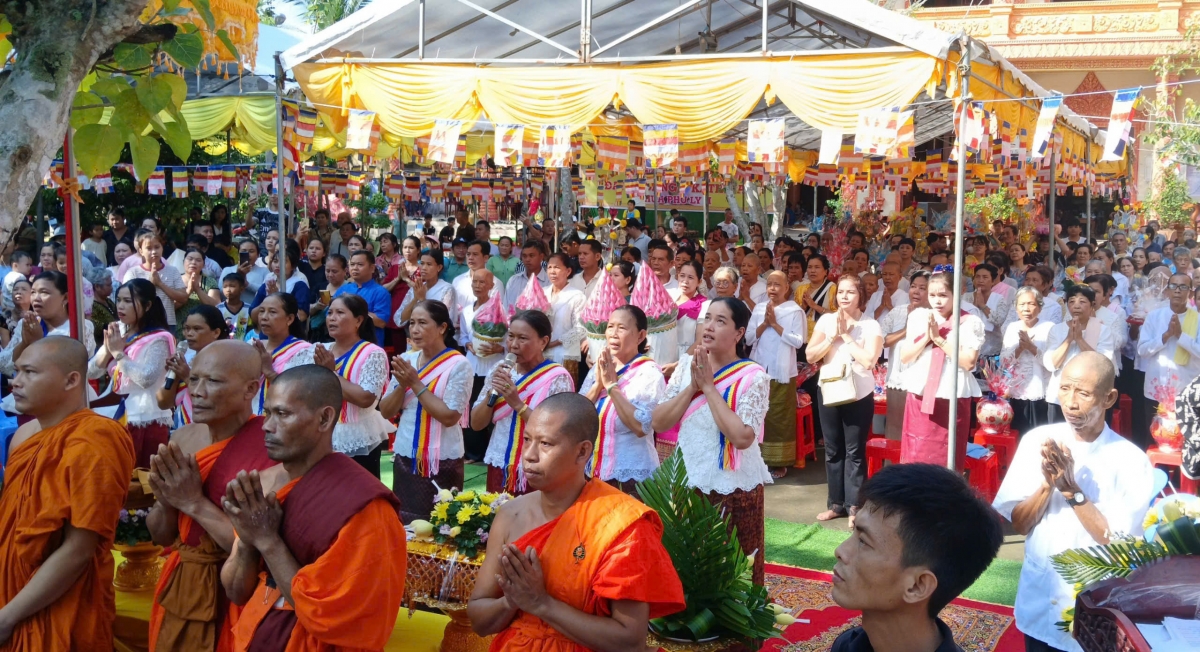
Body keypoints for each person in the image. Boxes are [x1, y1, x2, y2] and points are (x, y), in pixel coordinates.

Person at [468, 393, 686, 651]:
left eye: (546, 444)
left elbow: (630, 641)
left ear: (582, 451)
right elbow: (479, 619)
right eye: (527, 440)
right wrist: (511, 601)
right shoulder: (510, 515)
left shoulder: (620, 524)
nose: (529, 455)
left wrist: (541, 604)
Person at [220, 365, 407, 651]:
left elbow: (336, 619)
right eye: (268, 413)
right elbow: (235, 591)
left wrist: (268, 541)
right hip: (258, 634)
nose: (267, 426)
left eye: (282, 414)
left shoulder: (364, 506)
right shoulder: (265, 487)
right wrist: (249, 539)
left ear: (324, 418)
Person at [993, 353, 1154, 652]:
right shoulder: (1038, 441)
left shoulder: (1131, 460)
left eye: (1083, 392)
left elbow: (1119, 544)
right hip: (1040, 597)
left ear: (1109, 398)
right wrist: (1047, 485)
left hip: (1095, 611)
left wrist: (1072, 492)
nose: (1070, 402)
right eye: (1065, 388)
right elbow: (1020, 523)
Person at [0, 337, 135, 649]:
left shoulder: (96, 438)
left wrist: (9, 617)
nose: (16, 383)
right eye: (16, 372)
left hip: (64, 600)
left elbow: (79, 548)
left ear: (72, 380)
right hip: (11, 589)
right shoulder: (23, 435)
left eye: (30, 373)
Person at [145, 340, 277, 652]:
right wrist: (166, 499)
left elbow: (261, 547)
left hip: (235, 593)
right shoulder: (183, 437)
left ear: (250, 389)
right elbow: (161, 536)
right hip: (180, 586)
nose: (197, 391)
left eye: (213, 381)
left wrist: (192, 502)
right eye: (193, 379)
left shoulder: (271, 448)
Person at [651, 297, 771, 583]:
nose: (709, 326)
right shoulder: (686, 366)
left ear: (739, 333)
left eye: (721, 321)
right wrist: (692, 386)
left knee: (736, 567)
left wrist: (708, 388)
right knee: (689, 563)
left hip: (734, 486)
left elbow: (742, 437)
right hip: (687, 478)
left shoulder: (753, 376)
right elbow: (659, 421)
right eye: (707, 318)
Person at [830, 464, 1003, 652]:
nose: (840, 550)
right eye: (854, 530)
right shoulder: (848, 645)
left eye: (864, 541)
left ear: (917, 586)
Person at [380, 300, 472, 522]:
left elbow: (450, 416)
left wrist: (415, 383)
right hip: (407, 451)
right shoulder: (407, 359)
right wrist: (402, 385)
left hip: (443, 456)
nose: (415, 329)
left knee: (442, 522)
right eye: (412, 323)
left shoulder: (459, 364)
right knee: (406, 519)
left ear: (442, 328)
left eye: (423, 322)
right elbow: (385, 410)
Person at [806, 275, 883, 525]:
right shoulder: (827, 320)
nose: (844, 297)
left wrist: (847, 337)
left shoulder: (871, 325)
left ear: (861, 295)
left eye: (851, 292)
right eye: (840, 292)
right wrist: (832, 337)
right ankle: (835, 504)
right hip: (829, 389)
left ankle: (854, 506)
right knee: (832, 449)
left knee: (855, 451)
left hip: (858, 392)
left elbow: (870, 361)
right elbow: (810, 355)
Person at [474, 310, 575, 494]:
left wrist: (517, 404)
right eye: (511, 336)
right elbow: (476, 423)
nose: (513, 345)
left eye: (522, 338)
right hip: (500, 460)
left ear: (543, 342)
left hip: (538, 466)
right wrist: (491, 392)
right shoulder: (500, 369)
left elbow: (556, 431)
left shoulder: (557, 377)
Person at [88, 278, 178, 467]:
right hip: (125, 414)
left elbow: (146, 378)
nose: (121, 306)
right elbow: (92, 372)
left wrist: (119, 354)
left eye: (128, 301)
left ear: (147, 305)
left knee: (142, 479)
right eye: (119, 300)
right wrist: (108, 349)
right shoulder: (119, 332)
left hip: (147, 418)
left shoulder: (159, 338)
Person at [898, 271, 984, 467]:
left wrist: (939, 339)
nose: (937, 301)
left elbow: (969, 362)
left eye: (943, 295)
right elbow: (905, 356)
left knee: (948, 454)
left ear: (956, 294)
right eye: (933, 295)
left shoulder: (970, 321)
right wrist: (928, 338)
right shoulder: (919, 316)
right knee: (916, 453)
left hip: (951, 393)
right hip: (921, 390)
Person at [302, 295, 393, 477]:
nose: (332, 318)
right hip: (321, 434)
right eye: (330, 313)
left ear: (358, 320)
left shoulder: (373, 353)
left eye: (340, 313)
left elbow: (365, 398)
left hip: (357, 436)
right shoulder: (319, 349)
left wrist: (331, 373)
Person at [581, 305, 664, 494]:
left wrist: (611, 387)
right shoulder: (600, 367)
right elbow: (575, 415)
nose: (613, 334)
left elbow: (640, 426)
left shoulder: (648, 372)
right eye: (610, 326)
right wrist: (597, 386)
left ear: (641, 336)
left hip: (631, 478)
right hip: (593, 471)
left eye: (622, 328)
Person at [0, 271, 97, 399]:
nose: (36, 298)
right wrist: (25, 343)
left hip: (66, 399)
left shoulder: (81, 326)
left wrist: (38, 343)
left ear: (65, 297)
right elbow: (5, 366)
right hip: (29, 397)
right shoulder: (26, 324)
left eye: (44, 292)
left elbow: (65, 368)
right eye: (33, 292)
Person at [747, 271, 807, 476]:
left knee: (779, 415)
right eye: (770, 284)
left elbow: (798, 341)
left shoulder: (794, 311)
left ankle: (779, 462)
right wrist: (765, 323)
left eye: (777, 285)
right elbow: (747, 339)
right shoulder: (759, 309)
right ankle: (757, 459)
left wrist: (775, 324)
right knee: (758, 413)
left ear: (786, 287)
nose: (772, 288)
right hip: (759, 369)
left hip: (783, 371)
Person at [1135, 272, 1200, 447]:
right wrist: (1164, 337)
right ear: (1167, 291)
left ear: (1190, 292)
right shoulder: (1154, 317)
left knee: (1186, 443)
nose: (1177, 291)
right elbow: (1142, 350)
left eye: (1183, 287)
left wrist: (1181, 336)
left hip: (1186, 389)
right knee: (1155, 439)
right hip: (1156, 389)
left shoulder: (1198, 319)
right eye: (1173, 286)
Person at [1044, 285, 1115, 424]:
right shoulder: (1057, 330)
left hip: (1089, 397)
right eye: (1071, 301)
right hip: (1059, 396)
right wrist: (1068, 339)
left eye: (1082, 302)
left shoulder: (1103, 331)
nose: (1076, 306)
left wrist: (1080, 339)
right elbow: (1050, 364)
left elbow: (1103, 364)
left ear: (1092, 305)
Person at [157, 305, 230, 428]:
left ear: (216, 332)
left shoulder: (226, 360)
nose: (189, 334)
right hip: (184, 428)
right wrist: (174, 374)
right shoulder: (187, 358)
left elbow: (220, 401)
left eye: (196, 329)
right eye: (186, 328)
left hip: (210, 429)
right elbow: (164, 403)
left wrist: (187, 376)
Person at [460, 269, 503, 461]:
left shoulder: (500, 310)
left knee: (493, 406)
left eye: (482, 282)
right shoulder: (467, 310)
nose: (478, 286)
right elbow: (461, 335)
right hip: (472, 364)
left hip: (492, 365)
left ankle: (491, 450)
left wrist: (499, 348)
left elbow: (508, 340)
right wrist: (467, 343)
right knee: (470, 406)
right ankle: (473, 451)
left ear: (492, 286)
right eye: (475, 282)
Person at [881, 271, 929, 441]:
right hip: (897, 382)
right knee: (895, 433)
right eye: (913, 287)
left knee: (920, 435)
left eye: (922, 288)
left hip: (924, 386)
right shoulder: (898, 312)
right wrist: (907, 328)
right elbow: (882, 341)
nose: (916, 291)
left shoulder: (935, 316)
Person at [249, 293, 313, 415]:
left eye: (272, 312)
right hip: (252, 416)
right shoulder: (252, 345)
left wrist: (269, 371)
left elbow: (300, 394)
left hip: (283, 420)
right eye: (261, 311)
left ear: (289, 319)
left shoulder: (304, 351)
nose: (264, 317)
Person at [1003, 287, 1054, 436]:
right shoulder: (1012, 328)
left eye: (1031, 304)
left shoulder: (1049, 328)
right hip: (1017, 390)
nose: (1026, 308)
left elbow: (1052, 362)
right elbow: (1004, 361)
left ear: (1039, 306)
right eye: (1022, 304)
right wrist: (1019, 348)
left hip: (1042, 390)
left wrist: (1031, 347)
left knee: (1040, 434)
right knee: (1019, 432)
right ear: (1016, 307)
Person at [125, 230, 189, 331]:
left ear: (162, 248)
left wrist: (160, 283)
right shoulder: (133, 273)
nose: (154, 251)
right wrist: (150, 284)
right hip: (141, 323)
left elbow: (183, 298)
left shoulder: (172, 270)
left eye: (157, 247)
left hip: (167, 323)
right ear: (141, 251)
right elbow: (128, 300)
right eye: (149, 248)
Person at [336, 249, 392, 346]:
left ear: (372, 268)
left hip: (369, 345)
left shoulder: (381, 292)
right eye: (352, 264)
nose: (355, 268)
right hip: (343, 344)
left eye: (360, 265)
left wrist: (353, 310)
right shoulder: (343, 289)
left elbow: (381, 322)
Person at [545, 253, 586, 380]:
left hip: (565, 354)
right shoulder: (541, 292)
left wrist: (553, 343)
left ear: (568, 271)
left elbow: (580, 329)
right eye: (549, 267)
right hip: (541, 353)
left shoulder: (577, 296)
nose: (552, 271)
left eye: (556, 267)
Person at [395, 247, 459, 329]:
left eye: (429, 264)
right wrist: (415, 299)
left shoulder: (447, 289)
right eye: (422, 263)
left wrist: (422, 300)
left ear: (439, 267)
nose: (424, 268)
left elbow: (445, 321)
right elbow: (400, 319)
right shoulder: (417, 288)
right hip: (414, 337)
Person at [964, 263, 1012, 359]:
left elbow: (1000, 321)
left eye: (985, 277)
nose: (980, 280)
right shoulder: (965, 297)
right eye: (977, 277)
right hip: (968, 348)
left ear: (993, 281)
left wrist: (982, 306)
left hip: (992, 350)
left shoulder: (999, 299)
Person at [671, 260, 709, 361]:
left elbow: (700, 340)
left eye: (691, 277)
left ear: (699, 281)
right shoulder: (668, 298)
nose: (685, 281)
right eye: (682, 276)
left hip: (688, 356)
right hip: (665, 353)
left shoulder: (704, 304)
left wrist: (681, 363)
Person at [177, 248, 222, 328]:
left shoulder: (209, 281)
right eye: (190, 259)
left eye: (198, 260)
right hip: (178, 326)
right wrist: (189, 291)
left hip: (204, 326)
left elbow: (216, 306)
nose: (193, 262)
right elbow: (169, 306)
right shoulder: (175, 279)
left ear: (203, 264)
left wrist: (197, 289)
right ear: (183, 261)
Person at [220, 239, 269, 307]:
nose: (248, 254)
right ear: (238, 254)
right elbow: (221, 292)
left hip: (255, 311)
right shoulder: (227, 270)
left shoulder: (264, 271)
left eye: (251, 251)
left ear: (258, 255)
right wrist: (237, 275)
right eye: (244, 251)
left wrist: (247, 284)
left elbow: (266, 292)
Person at [452, 239, 494, 317]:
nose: (470, 258)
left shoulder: (494, 282)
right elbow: (453, 307)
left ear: (486, 258)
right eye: (468, 254)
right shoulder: (457, 280)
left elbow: (495, 309)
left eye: (475, 254)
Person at [506, 239, 549, 308]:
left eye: (531, 256)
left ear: (541, 257)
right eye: (524, 256)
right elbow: (506, 307)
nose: (527, 259)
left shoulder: (549, 282)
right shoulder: (513, 280)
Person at [218, 272, 251, 340]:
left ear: (242, 289)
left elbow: (251, 330)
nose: (228, 290)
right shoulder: (218, 309)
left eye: (232, 286)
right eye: (225, 287)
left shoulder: (249, 309)